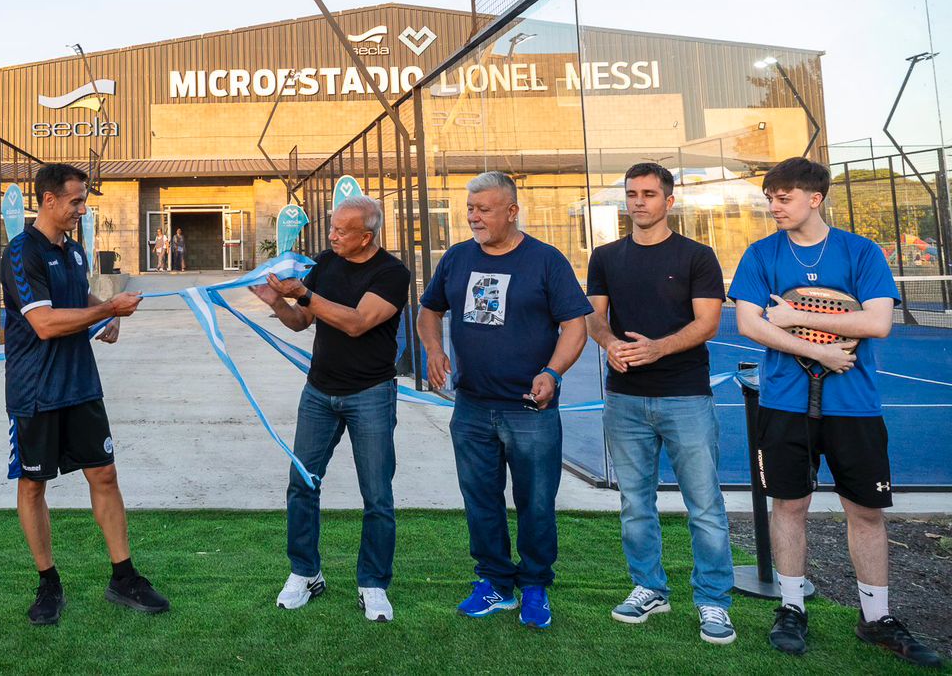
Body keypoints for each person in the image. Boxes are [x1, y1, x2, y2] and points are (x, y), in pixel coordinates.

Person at [729, 157, 942, 666]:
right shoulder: (761, 254)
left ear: (814, 198)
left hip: (855, 406)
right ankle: (791, 607)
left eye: (783, 198)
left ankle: (877, 618)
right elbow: (749, 324)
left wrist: (796, 315)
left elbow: (879, 323)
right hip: (784, 403)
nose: (773, 206)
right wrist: (822, 351)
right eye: (771, 197)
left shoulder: (860, 251)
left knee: (866, 512)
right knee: (789, 506)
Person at [416, 171, 590, 630]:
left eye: (484, 209)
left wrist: (552, 372)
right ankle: (495, 582)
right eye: (470, 209)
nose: (474, 217)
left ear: (511, 211)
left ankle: (534, 585)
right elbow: (429, 309)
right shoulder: (456, 259)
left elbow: (576, 326)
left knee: (535, 501)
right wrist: (434, 349)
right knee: (481, 500)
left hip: (530, 410)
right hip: (471, 408)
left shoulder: (546, 261)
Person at [1, 162, 168, 625]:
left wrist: (103, 312)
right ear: (49, 200)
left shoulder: (74, 252)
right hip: (36, 392)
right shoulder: (20, 253)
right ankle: (49, 583)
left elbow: (77, 302)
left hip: (80, 386)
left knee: (106, 475)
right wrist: (109, 307)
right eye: (75, 201)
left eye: (83, 201)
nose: (81, 209)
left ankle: (123, 576)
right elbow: (44, 322)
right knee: (34, 485)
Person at [585, 163, 735, 646]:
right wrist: (610, 344)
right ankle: (649, 587)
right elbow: (595, 319)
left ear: (669, 201)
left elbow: (707, 324)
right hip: (624, 400)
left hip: (686, 396)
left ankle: (713, 600)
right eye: (631, 193)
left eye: (649, 193)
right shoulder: (605, 256)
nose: (638, 201)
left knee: (705, 505)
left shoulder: (697, 256)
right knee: (634, 503)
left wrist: (656, 348)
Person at [250, 195, 408, 623]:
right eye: (333, 228)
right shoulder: (326, 262)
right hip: (319, 393)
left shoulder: (392, 273)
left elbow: (357, 322)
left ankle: (373, 584)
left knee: (377, 495)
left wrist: (303, 292)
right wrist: (277, 302)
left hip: (370, 394)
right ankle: (305, 573)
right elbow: (303, 322)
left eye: (341, 230)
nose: (332, 235)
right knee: (302, 485)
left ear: (367, 237)